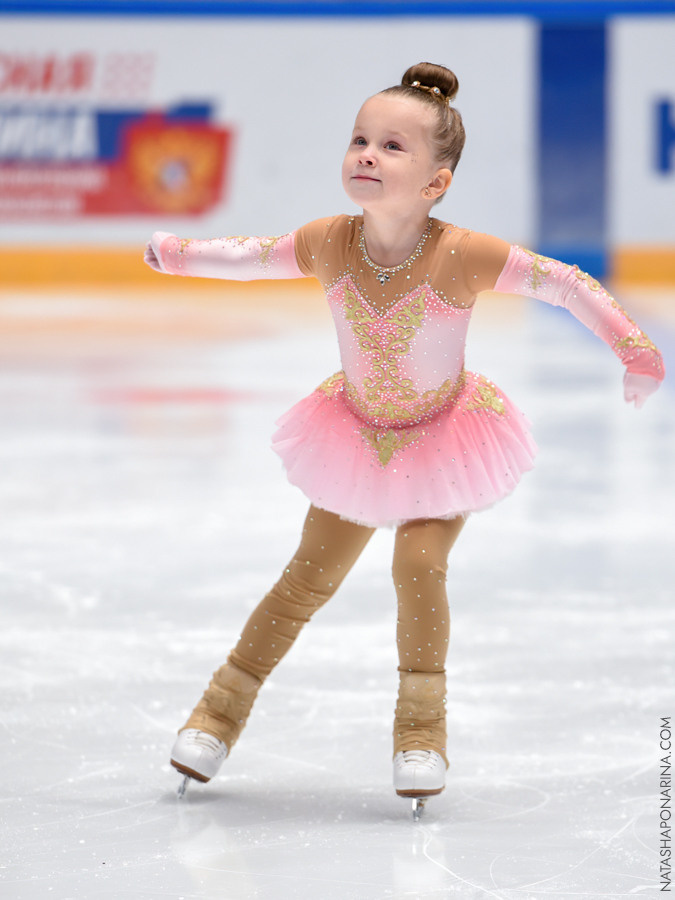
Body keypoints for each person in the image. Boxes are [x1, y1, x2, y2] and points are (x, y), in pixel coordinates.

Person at [144, 62, 664, 811]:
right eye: (360, 139)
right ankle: (215, 716)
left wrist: (634, 347)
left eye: (392, 146)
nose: (366, 154)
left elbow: (562, 283)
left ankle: (420, 733)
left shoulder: (461, 253)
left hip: (442, 436)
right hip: (354, 435)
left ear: (435, 181)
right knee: (304, 580)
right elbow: (252, 259)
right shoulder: (329, 242)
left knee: (418, 566)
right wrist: (178, 254)